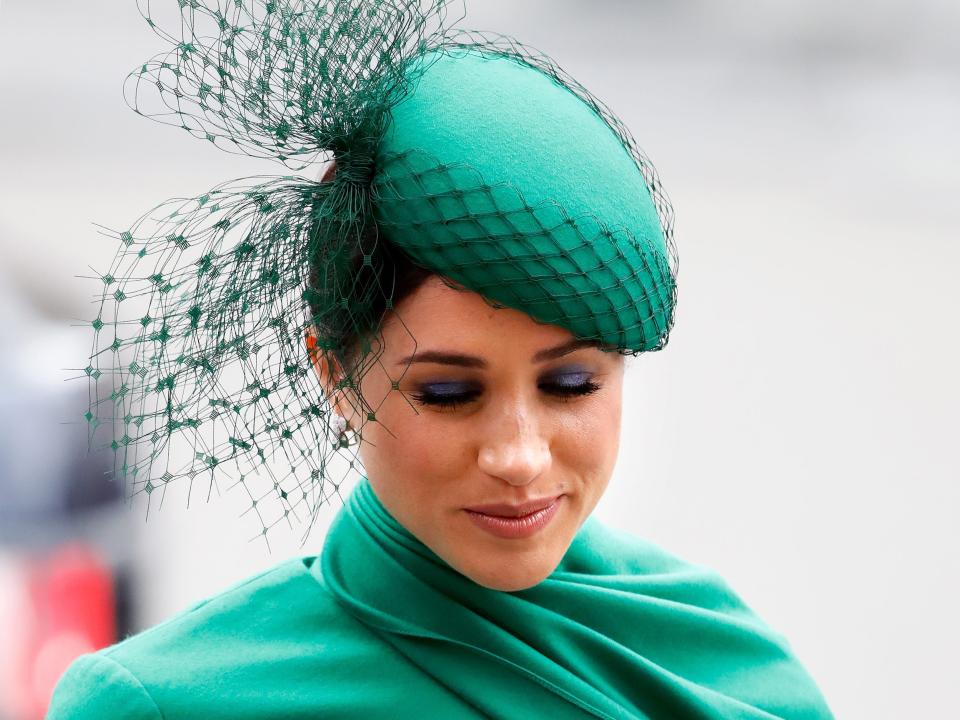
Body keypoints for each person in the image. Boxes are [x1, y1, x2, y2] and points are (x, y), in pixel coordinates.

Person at [49, 0, 835, 717]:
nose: (519, 457)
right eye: (451, 392)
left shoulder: (727, 665)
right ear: (334, 373)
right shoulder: (163, 704)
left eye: (570, 383)